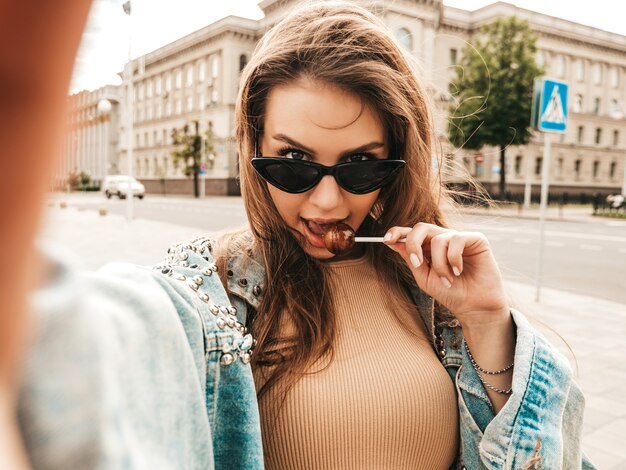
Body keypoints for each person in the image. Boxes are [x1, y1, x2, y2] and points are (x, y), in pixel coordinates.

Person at [7, 1, 594, 469]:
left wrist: (489, 324)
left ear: (399, 158)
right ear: (253, 147)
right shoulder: (204, 290)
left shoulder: (436, 295)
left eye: (362, 164)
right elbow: (62, 344)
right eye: (293, 161)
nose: (328, 201)